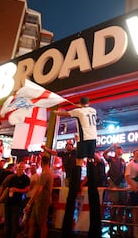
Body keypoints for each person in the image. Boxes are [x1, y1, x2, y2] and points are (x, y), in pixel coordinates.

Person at [54, 96, 100, 236]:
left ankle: (79, 171)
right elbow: (84, 111)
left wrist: (55, 112)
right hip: (93, 138)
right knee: (91, 159)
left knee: (79, 160)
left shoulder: (78, 111)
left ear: (80, 104)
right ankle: (90, 170)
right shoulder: (93, 110)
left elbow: (66, 114)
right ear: (89, 103)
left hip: (84, 139)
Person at [24, 155, 53, 238]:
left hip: (42, 200)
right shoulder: (47, 173)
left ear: (41, 163)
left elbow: (39, 189)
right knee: (32, 221)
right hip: (40, 200)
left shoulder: (45, 174)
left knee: (42, 223)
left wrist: (29, 203)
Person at [3, 162, 30, 238]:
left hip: (18, 202)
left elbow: (27, 189)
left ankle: (13, 235)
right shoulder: (12, 178)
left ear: (24, 169)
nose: (20, 169)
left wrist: (17, 190)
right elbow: (7, 188)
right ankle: (7, 235)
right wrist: (1, 199)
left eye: (22, 168)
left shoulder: (26, 178)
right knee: (7, 220)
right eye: (19, 167)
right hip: (9, 201)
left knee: (14, 221)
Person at [103, 143, 127, 224]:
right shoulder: (111, 159)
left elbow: (125, 173)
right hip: (113, 183)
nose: (120, 150)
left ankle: (119, 225)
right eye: (118, 149)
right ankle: (112, 224)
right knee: (115, 204)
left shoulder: (123, 161)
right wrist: (112, 146)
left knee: (122, 205)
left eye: (121, 149)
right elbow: (104, 154)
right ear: (115, 151)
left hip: (122, 184)